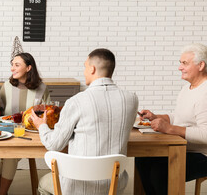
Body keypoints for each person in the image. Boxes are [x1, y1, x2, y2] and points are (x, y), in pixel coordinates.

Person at [31, 48, 139, 195]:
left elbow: (54, 144)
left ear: (92, 69)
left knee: (43, 184)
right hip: (113, 184)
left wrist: (41, 126)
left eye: (85, 66)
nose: (84, 71)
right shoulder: (131, 99)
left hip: (78, 186)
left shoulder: (76, 101)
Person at [136, 43, 207, 195]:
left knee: (159, 171)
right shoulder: (187, 88)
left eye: (185, 63)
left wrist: (169, 128)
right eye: (180, 63)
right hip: (183, 149)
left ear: (201, 65)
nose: (180, 67)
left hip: (202, 155)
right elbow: (180, 117)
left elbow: (205, 134)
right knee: (143, 159)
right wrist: (156, 117)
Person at [0, 52, 50, 195]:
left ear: (28, 68)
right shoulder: (7, 86)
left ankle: (1, 192)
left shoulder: (42, 88)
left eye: (17, 65)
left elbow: (47, 115)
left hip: (29, 135)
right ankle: (3, 190)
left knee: (9, 155)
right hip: (6, 133)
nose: (12, 68)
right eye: (12, 65)